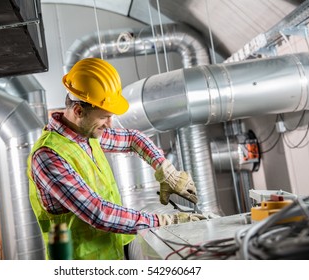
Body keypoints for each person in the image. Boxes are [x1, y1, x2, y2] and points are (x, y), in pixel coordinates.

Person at [27, 57, 205, 260]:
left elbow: (132, 138)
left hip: (110, 255)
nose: (110, 124)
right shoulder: (49, 156)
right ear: (78, 111)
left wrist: (166, 170)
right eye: (104, 117)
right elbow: (98, 213)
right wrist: (166, 222)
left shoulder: (85, 135)